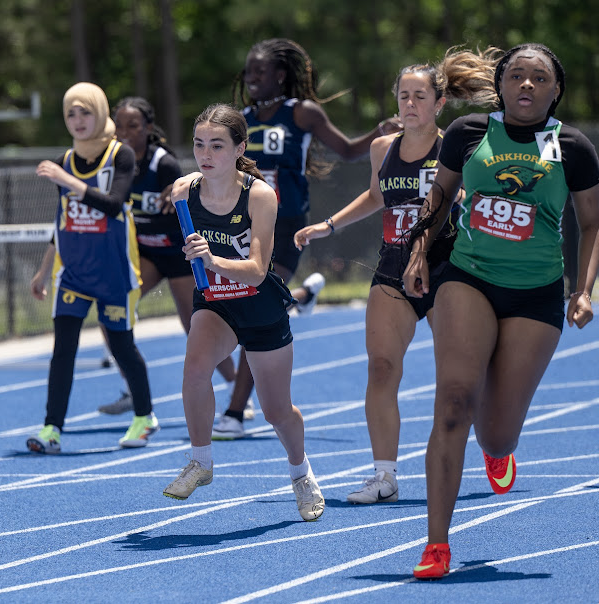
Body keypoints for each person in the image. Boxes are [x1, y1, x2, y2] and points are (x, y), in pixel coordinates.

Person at [402, 43, 599, 579]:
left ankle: (499, 450)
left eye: (540, 79)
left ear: (557, 90)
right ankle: (436, 544)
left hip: (535, 294)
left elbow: (593, 222)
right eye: (517, 76)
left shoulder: (573, 147)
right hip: (468, 278)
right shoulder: (468, 134)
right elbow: (438, 199)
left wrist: (583, 289)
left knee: (496, 432)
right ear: (502, 84)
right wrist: (419, 254)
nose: (527, 86)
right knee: (453, 402)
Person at [293, 47, 500, 504]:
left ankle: (494, 444)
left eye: (419, 96)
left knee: (459, 377)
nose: (410, 104)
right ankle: (384, 476)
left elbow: (471, 200)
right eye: (403, 95)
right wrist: (328, 226)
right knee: (382, 366)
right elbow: (375, 197)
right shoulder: (382, 148)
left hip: (450, 269)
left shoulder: (459, 147)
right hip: (394, 268)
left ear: (439, 103)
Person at [212, 37, 402, 440]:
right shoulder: (238, 121)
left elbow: (349, 151)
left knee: (254, 303)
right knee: (245, 303)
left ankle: (233, 410)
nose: (252, 78)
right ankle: (300, 298)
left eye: (260, 72)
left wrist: (380, 132)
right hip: (241, 224)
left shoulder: (302, 114)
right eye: (248, 72)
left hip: (285, 223)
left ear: (280, 75)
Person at [162, 103, 324, 522]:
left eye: (217, 144)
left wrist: (212, 259)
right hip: (215, 303)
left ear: (239, 148)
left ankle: (301, 471)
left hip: (258, 305)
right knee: (195, 369)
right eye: (199, 144)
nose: (206, 153)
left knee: (276, 412)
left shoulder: (260, 194)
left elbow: (255, 271)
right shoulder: (184, 192)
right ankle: (201, 460)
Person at [27, 82, 159, 453]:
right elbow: (63, 220)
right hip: (73, 272)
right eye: (71, 113)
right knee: (63, 351)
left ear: (100, 113)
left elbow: (115, 204)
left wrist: (68, 182)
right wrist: (43, 270)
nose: (78, 120)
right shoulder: (65, 160)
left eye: (85, 111)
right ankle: (51, 428)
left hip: (114, 272)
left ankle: (144, 415)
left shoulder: (122, 156)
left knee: (121, 346)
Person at [96, 96, 236, 415]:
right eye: (119, 125)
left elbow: (192, 195)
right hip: (145, 250)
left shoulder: (163, 163)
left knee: (195, 325)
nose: (125, 131)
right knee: (111, 308)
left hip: (177, 252)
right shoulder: (114, 161)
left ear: (147, 128)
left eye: (133, 125)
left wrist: (176, 196)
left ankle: (235, 383)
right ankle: (133, 388)